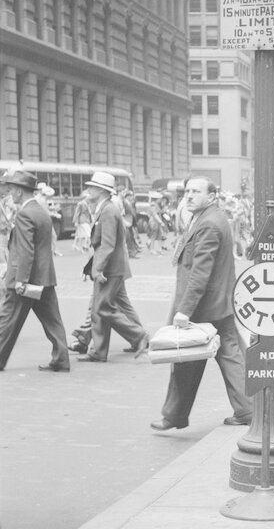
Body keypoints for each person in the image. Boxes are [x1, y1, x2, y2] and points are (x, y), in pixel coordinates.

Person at [151, 176, 253, 430]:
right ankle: (247, 409)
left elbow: (200, 273)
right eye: (187, 191)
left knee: (185, 361)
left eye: (196, 191)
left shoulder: (208, 224)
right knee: (230, 355)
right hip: (219, 304)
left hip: (204, 308)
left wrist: (184, 310)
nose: (189, 195)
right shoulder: (210, 217)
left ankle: (174, 415)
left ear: (211, 196)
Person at [0, 170, 70, 373]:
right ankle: (61, 359)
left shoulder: (24, 214)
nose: (10, 193)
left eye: (12, 189)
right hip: (45, 277)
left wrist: (20, 280)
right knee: (53, 321)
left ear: (20, 192)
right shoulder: (40, 211)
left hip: (26, 279)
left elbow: (25, 251)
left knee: (7, 319)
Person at [78, 172, 149, 363]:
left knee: (102, 308)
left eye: (92, 186)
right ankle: (98, 351)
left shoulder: (108, 210)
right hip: (112, 267)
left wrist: (98, 269)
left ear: (101, 190)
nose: (88, 189)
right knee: (100, 308)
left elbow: (107, 244)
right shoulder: (105, 208)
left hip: (110, 269)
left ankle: (138, 335)